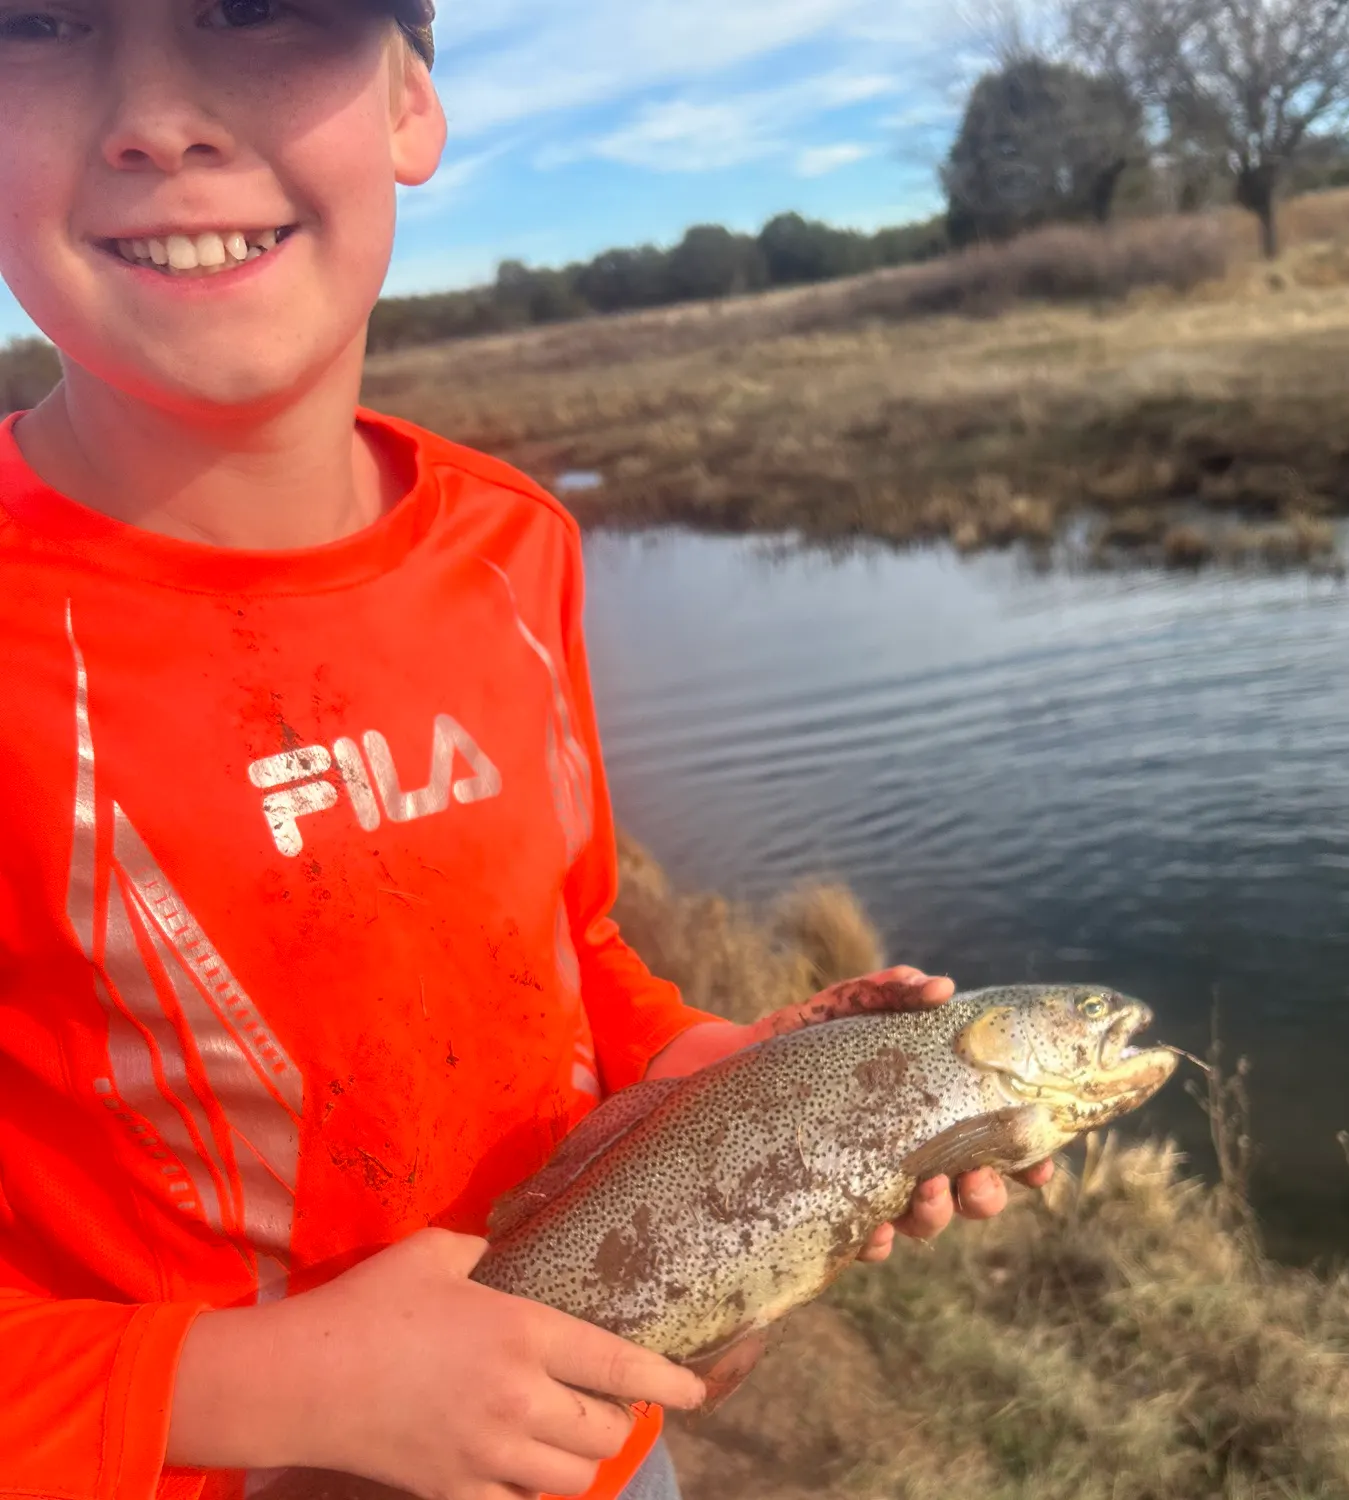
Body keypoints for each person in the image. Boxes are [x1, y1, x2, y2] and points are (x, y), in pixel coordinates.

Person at [0, 5, 1052, 1500]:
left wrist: (711, 1079)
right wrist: (267, 1389)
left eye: (257, 9)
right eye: (37, 22)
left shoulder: (513, 545)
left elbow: (567, 949)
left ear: (410, 102)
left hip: (592, 1453)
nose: (157, 121)